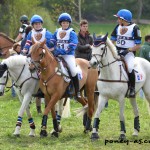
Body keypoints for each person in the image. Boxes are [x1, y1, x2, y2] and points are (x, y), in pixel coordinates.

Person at [110, 9, 141, 98]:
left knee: (130, 67)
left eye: (119, 18)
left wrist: (127, 50)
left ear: (124, 19)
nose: (117, 20)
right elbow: (112, 41)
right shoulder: (117, 27)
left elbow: (138, 45)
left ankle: (132, 89)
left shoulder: (135, 28)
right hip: (117, 51)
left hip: (129, 53)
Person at [50, 12, 81, 98]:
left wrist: (61, 51)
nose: (65, 24)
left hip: (68, 55)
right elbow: (52, 40)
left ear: (69, 23)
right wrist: (50, 43)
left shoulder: (72, 33)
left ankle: (77, 90)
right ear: (61, 23)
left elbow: (73, 45)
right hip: (57, 55)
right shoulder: (57, 31)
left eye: (67, 23)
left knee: (73, 71)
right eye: (63, 23)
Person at [22, 14, 53, 97]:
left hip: (44, 55)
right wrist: (25, 49)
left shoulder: (47, 32)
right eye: (36, 24)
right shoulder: (31, 33)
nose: (38, 25)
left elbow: (50, 43)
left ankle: (41, 88)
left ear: (41, 24)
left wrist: (49, 48)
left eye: (39, 23)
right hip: (34, 54)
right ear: (33, 25)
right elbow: (28, 42)